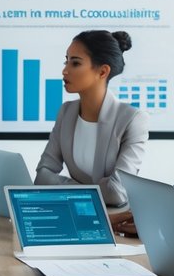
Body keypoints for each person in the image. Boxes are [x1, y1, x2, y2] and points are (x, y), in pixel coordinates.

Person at [34, 30, 149, 208]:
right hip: (75, 213)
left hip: (113, 221)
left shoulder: (132, 119)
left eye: (75, 63)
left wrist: (65, 187)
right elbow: (42, 176)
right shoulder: (66, 113)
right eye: (66, 61)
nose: (65, 70)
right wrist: (88, 191)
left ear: (103, 72)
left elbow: (117, 193)